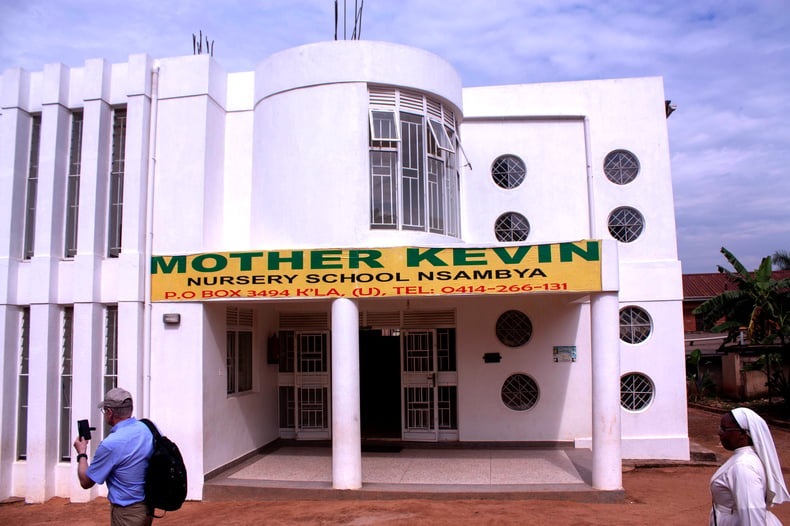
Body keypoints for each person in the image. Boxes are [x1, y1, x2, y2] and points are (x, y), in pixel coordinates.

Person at [74, 388, 154, 526]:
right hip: (148, 507)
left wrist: (81, 453)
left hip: (127, 512)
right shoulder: (148, 429)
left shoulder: (110, 444)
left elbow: (86, 481)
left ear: (110, 412)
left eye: (105, 411)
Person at [710, 407, 790, 525]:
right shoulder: (747, 457)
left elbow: (752, 516)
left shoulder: (743, 467)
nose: (719, 432)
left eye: (724, 429)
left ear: (743, 433)